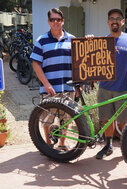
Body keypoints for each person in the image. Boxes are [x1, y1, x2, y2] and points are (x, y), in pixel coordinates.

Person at [87, 8, 127, 159]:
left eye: (118, 18)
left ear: (122, 22)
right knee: (107, 120)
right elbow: (89, 58)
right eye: (112, 18)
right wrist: (89, 41)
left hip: (124, 88)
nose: (115, 21)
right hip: (105, 88)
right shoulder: (102, 42)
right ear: (108, 22)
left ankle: (125, 149)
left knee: (123, 122)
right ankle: (108, 146)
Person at [30, 8, 75, 151]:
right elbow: (35, 63)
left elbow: (81, 61)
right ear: (48, 22)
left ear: (63, 21)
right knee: (46, 118)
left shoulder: (73, 39)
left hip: (68, 87)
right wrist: (46, 83)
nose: (55, 22)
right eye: (52, 19)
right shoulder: (41, 41)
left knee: (66, 118)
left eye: (58, 19)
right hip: (49, 87)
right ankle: (48, 144)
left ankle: (62, 143)